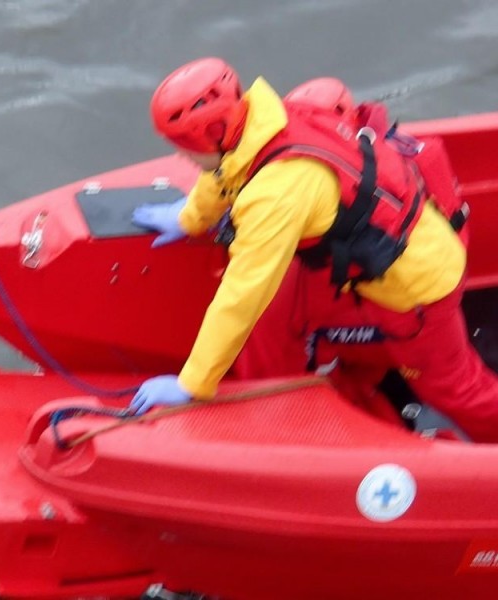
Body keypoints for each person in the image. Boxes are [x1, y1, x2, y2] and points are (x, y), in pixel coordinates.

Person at [129, 56, 498, 443]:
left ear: (212, 133)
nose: (181, 156)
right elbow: (226, 171)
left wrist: (193, 383)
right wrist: (190, 218)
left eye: (184, 145)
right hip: (393, 258)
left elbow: (242, 294)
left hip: (418, 291)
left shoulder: (276, 193)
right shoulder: (268, 118)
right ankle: (298, 408)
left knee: (455, 389)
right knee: (286, 315)